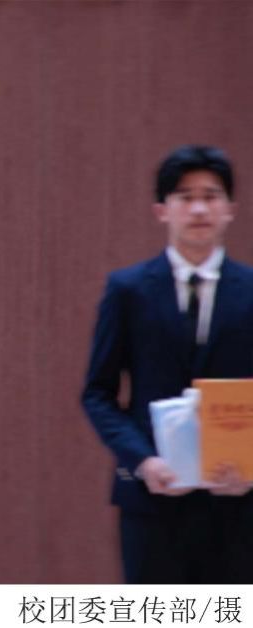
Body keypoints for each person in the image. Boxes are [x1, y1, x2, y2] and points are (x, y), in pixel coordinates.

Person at [81, 144, 253, 583]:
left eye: (211, 196)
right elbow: (98, 393)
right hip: (152, 498)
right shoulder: (128, 289)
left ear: (230, 209)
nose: (199, 208)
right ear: (162, 210)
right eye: (184, 196)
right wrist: (143, 461)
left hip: (240, 502)